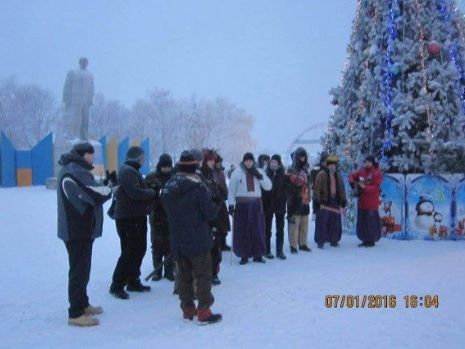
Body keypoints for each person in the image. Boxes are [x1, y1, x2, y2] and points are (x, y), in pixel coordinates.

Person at [161, 151, 222, 324]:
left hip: (177, 239)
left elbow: (167, 211)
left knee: (183, 277)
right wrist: (216, 204)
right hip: (198, 238)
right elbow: (209, 214)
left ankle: (187, 309)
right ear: (194, 167)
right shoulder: (198, 188)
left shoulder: (169, 187)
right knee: (203, 276)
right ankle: (204, 311)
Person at [57, 142, 111, 326]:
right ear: (82, 155)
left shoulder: (73, 169)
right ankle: (75, 313)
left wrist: (104, 186)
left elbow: (92, 189)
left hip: (80, 229)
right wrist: (109, 187)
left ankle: (83, 303)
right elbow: (95, 194)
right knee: (78, 270)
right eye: (90, 153)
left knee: (82, 268)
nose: (92, 157)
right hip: (77, 229)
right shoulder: (74, 171)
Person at [109, 146, 156, 299]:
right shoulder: (127, 171)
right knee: (129, 251)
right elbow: (135, 193)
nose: (143, 160)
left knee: (139, 249)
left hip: (136, 216)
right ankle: (117, 285)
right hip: (129, 218)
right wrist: (152, 192)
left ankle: (133, 280)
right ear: (136, 158)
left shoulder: (131, 170)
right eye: (142, 157)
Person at [228, 152, 272, 264]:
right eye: (246, 161)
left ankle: (258, 254)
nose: (248, 163)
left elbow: (268, 187)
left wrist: (260, 177)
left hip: (256, 205)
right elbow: (232, 190)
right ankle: (244, 255)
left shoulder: (259, 171)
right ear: (244, 161)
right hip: (242, 205)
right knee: (243, 230)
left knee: (257, 230)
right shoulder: (237, 173)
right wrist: (231, 205)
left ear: (253, 161)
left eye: (250, 161)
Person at [145, 154, 174, 281]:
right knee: (156, 244)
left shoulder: (174, 177)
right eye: (164, 166)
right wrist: (154, 193)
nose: (166, 169)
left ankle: (169, 271)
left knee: (170, 244)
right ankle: (157, 271)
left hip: (170, 215)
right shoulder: (151, 177)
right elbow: (145, 194)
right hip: (156, 215)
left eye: (168, 166)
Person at [200, 149, 227, 285]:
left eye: (213, 160)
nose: (212, 162)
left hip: (216, 215)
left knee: (215, 246)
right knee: (206, 247)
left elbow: (220, 192)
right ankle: (205, 274)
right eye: (210, 160)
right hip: (205, 217)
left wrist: (221, 194)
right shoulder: (200, 176)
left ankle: (214, 273)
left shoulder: (213, 175)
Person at [349, 156, 383, 247]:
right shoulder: (362, 171)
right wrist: (353, 183)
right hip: (362, 203)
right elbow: (351, 176)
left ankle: (371, 240)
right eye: (366, 162)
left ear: (372, 163)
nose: (367, 164)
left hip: (371, 203)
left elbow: (376, 188)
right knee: (362, 223)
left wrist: (365, 187)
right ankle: (364, 239)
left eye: (369, 162)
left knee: (371, 223)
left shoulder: (376, 173)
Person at [313, 156, 347, 248]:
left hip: (335, 200)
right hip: (324, 201)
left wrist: (343, 200)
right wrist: (317, 201)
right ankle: (320, 240)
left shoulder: (338, 176)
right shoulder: (321, 175)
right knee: (322, 221)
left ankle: (334, 239)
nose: (332, 167)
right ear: (327, 166)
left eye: (334, 165)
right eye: (330, 165)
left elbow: (342, 188)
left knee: (335, 221)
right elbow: (316, 189)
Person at [285, 147, 312, 254]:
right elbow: (294, 182)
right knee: (294, 224)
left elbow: (310, 183)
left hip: (305, 199)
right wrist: (303, 174)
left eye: (304, 157)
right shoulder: (290, 169)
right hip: (294, 200)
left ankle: (303, 243)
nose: (303, 159)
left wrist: (308, 174)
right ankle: (293, 245)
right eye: (301, 157)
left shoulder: (306, 170)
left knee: (304, 223)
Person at [62, 57, 94, 140]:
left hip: (86, 101)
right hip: (75, 99)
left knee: (85, 120)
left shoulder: (90, 75)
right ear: (80, 63)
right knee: (75, 119)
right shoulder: (73, 72)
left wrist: (91, 99)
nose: (84, 63)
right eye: (82, 62)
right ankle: (74, 135)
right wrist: (66, 98)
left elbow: (91, 88)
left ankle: (84, 136)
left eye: (85, 62)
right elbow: (67, 85)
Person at [262, 154, 287, 260]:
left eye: (275, 162)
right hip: (268, 205)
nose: (273, 164)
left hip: (280, 205)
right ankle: (267, 250)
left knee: (280, 230)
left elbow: (286, 189)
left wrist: (284, 199)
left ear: (279, 164)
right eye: (271, 162)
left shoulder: (283, 175)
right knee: (267, 229)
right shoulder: (265, 174)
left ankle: (279, 251)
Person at [213, 153, 232, 252]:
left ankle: (223, 243)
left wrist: (225, 191)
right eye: (218, 162)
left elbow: (223, 184)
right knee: (217, 223)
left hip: (221, 200)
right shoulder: (212, 172)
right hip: (215, 200)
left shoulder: (221, 172)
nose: (220, 164)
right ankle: (218, 243)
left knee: (224, 222)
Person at [310, 152, 328, 220]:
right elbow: (312, 175)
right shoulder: (317, 167)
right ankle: (315, 212)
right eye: (325, 160)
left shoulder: (328, 169)